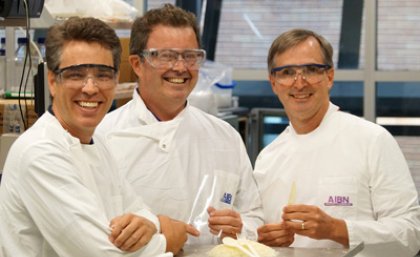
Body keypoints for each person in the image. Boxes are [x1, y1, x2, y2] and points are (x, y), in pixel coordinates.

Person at [0, 17, 195, 257]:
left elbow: (138, 209)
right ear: (52, 81)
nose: (90, 88)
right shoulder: (40, 153)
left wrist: (153, 223)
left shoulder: (96, 142)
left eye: (103, 75)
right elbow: (102, 254)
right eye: (76, 75)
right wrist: (169, 239)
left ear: (115, 80)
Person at [96, 4, 264, 243]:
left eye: (190, 56)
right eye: (166, 56)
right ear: (136, 64)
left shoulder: (225, 137)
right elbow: (87, 227)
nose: (181, 67)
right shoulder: (102, 136)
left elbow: (255, 216)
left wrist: (240, 227)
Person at [253, 28, 420, 256]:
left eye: (311, 70)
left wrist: (337, 230)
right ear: (274, 82)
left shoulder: (372, 140)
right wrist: (264, 239)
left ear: (329, 76)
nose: (299, 83)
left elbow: (410, 233)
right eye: (287, 72)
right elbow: (261, 237)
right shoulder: (267, 159)